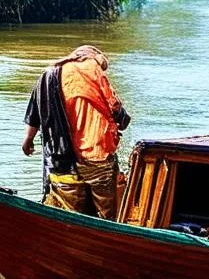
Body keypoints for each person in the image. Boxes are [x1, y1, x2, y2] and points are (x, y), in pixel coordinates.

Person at [22, 45, 130, 218]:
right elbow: (115, 106)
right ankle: (106, 236)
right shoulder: (92, 68)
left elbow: (34, 112)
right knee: (107, 212)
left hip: (61, 160)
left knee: (69, 212)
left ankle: (74, 237)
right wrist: (123, 120)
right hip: (97, 155)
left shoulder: (47, 76)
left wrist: (28, 140)